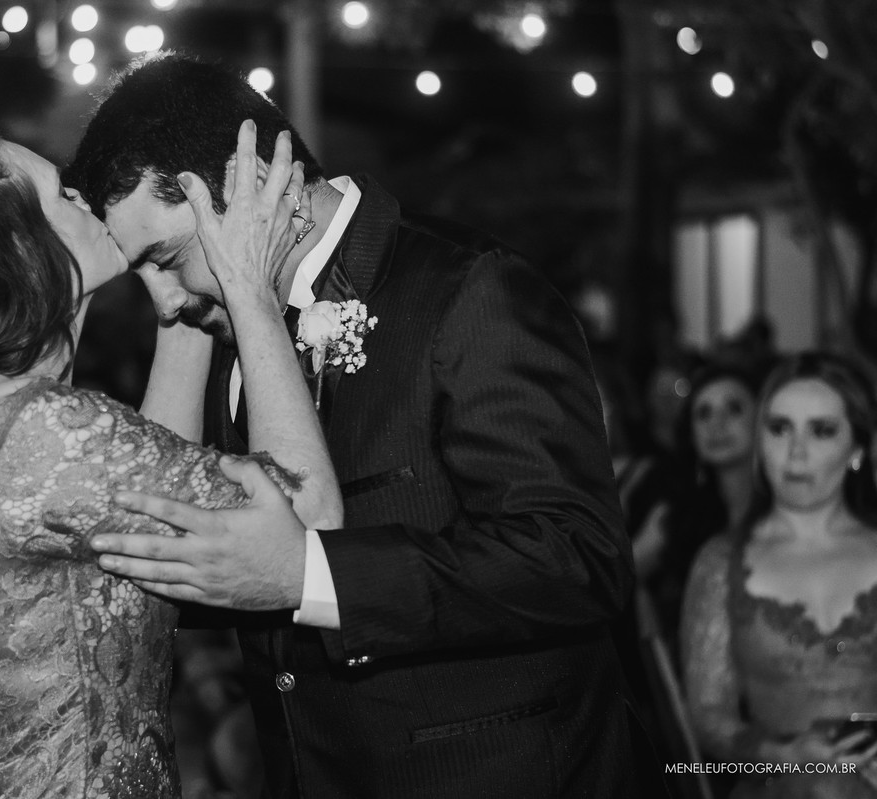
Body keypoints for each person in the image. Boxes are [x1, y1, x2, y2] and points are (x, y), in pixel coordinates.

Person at [66, 52, 647, 797]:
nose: (165, 301)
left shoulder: (470, 289)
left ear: (248, 186)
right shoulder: (225, 326)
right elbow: (185, 557)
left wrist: (312, 576)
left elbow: (577, 556)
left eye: (168, 258)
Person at [0, 109, 341, 797]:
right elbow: (305, 521)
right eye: (62, 194)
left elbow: (148, 496)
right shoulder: (36, 429)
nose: (84, 198)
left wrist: (180, 305)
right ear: (19, 248)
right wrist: (247, 288)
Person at [682, 351, 877, 797]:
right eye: (780, 428)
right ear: (760, 441)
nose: (796, 452)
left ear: (857, 450)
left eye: (822, 430)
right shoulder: (721, 563)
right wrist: (780, 754)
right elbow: (708, 717)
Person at [637, 361, 761, 648]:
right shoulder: (674, 517)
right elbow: (620, 582)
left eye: (733, 409)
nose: (717, 424)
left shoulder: (789, 511)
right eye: (704, 413)